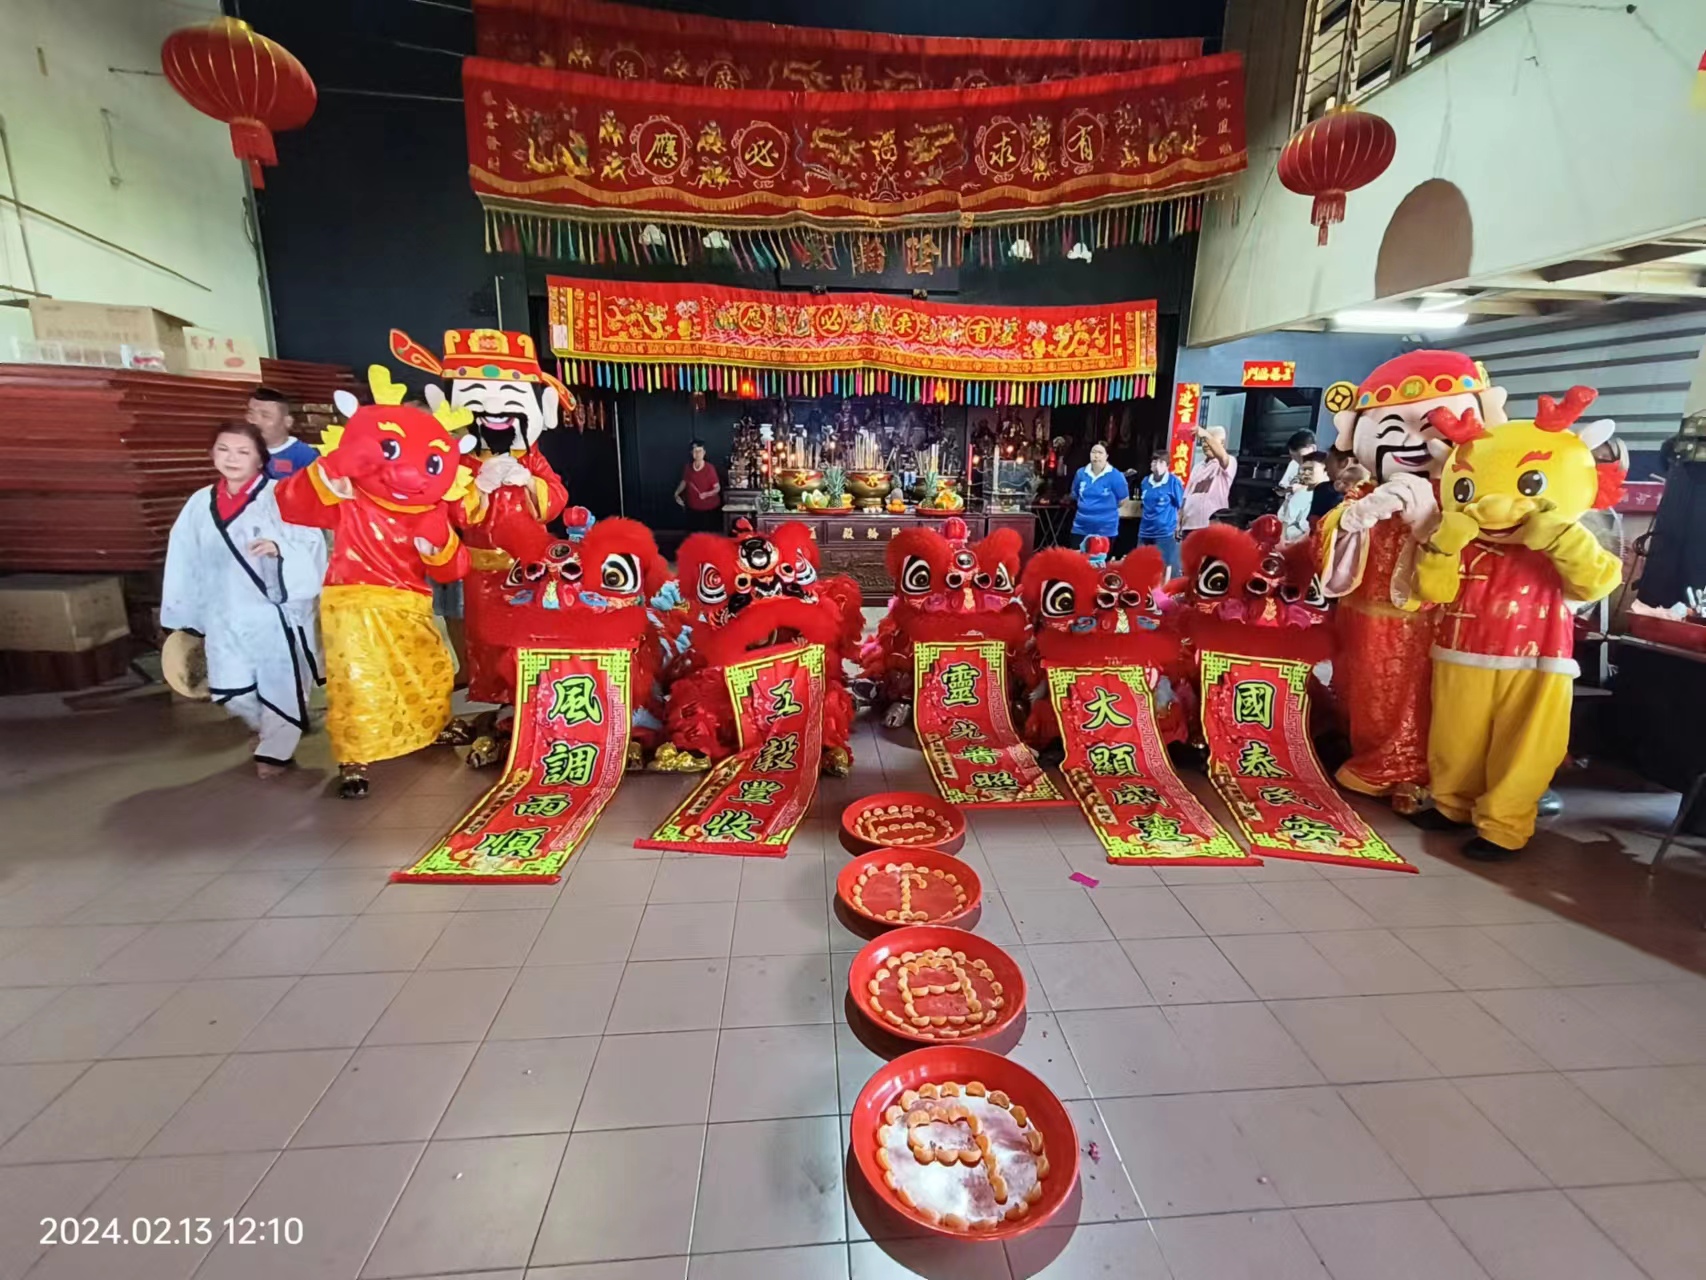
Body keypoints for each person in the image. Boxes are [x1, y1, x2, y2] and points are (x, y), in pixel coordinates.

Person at [161, 423, 327, 777]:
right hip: (223, 612)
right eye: (223, 450)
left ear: (260, 459)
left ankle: (275, 752)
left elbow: (312, 547)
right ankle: (266, 727)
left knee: (281, 685)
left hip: (273, 614)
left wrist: (281, 551)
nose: (232, 458)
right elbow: (183, 558)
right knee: (232, 690)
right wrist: (184, 613)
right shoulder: (199, 503)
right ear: (212, 454)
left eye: (243, 452)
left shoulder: (282, 496)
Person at [246, 387, 319, 479]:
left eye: (265, 415)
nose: (253, 421)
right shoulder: (239, 449)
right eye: (251, 414)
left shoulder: (305, 456)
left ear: (287, 422)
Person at [1069, 441, 1129, 550]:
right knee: (1077, 558)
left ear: (1107, 456)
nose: (1096, 456)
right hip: (1081, 527)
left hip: (1105, 529)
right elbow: (1075, 494)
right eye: (1093, 452)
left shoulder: (1116, 475)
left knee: (1100, 559)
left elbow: (1123, 500)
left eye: (1100, 453)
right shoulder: (1081, 473)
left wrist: (1104, 509)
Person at [1136, 449, 1185, 576]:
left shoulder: (1173, 482)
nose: (1156, 464)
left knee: (1164, 568)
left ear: (1167, 465)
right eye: (1154, 461)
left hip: (1164, 533)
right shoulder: (1145, 481)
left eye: (1160, 462)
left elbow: (1181, 506)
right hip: (1145, 532)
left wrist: (1179, 526)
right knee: (1141, 567)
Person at [1180, 425, 1237, 533]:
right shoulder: (1197, 467)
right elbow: (1186, 496)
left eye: (1209, 440)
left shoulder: (1229, 462)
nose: (1206, 444)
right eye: (1203, 441)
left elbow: (1223, 457)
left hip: (1212, 526)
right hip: (1189, 526)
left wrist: (1205, 434)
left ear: (1222, 443)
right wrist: (1179, 520)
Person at [675, 439, 723, 532]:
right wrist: (676, 493)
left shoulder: (709, 468)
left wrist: (707, 494)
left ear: (704, 453)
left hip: (709, 510)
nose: (697, 454)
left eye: (700, 451)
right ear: (691, 453)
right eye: (695, 451)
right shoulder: (688, 467)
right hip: (693, 508)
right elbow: (684, 482)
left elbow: (717, 488)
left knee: (707, 536)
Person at [1280, 451, 1330, 542]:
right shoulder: (1300, 493)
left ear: (1326, 470)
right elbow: (1285, 522)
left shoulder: (1333, 495)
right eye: (1303, 469)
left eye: (1310, 469)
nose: (1306, 473)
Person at [1275, 429, 1317, 500]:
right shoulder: (1293, 463)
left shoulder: (1323, 469)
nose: (1298, 462)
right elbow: (1284, 486)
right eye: (1293, 457)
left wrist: (1298, 488)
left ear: (1313, 448)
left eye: (1301, 457)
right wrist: (1282, 491)